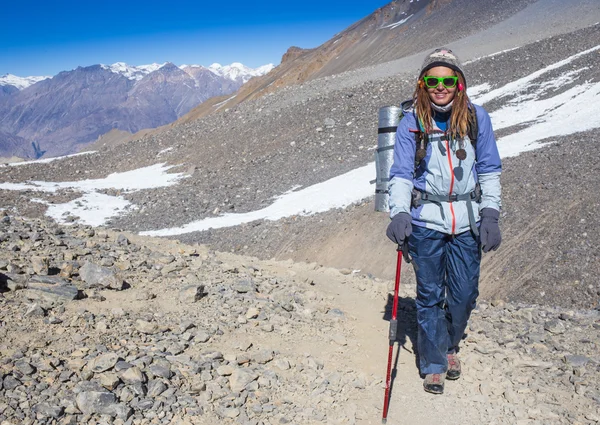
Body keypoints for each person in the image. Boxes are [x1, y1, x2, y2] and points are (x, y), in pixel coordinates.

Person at [386, 48, 502, 394]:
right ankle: (435, 361)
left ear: (459, 84)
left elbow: (490, 169)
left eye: (448, 80)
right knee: (430, 294)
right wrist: (400, 212)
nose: (441, 86)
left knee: (464, 295)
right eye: (433, 80)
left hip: (467, 220)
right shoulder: (412, 122)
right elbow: (402, 174)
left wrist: (491, 215)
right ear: (423, 84)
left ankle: (450, 343)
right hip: (426, 222)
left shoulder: (477, 118)